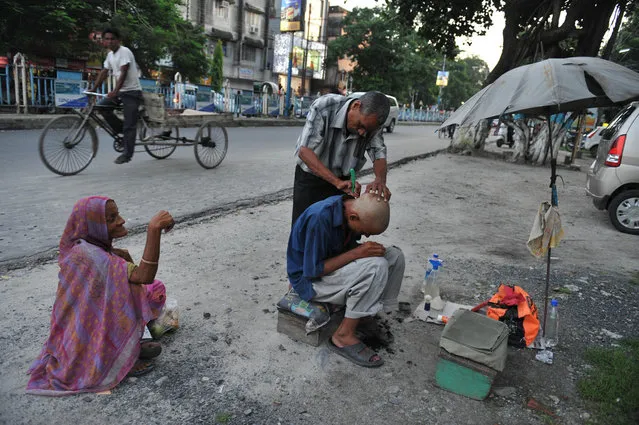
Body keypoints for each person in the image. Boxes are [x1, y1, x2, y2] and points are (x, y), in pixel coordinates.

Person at [26, 196, 175, 396]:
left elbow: (138, 281)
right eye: (112, 218)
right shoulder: (90, 256)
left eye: (118, 214)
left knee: (156, 290)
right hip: (83, 336)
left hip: (85, 326)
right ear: (92, 227)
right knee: (137, 290)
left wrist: (121, 257)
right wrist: (153, 229)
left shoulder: (90, 249)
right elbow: (143, 276)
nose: (121, 220)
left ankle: (133, 341)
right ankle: (119, 358)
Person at [287, 193, 405, 367]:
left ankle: (365, 314)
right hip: (310, 282)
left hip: (332, 267)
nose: (364, 236)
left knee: (395, 255)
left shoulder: (348, 207)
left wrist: (361, 251)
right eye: (364, 231)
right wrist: (358, 253)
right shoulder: (319, 218)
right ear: (353, 216)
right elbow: (313, 271)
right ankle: (342, 336)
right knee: (376, 266)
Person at [292, 91, 391, 226]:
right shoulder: (325, 106)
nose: (362, 133)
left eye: (367, 130)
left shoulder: (371, 123)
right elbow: (304, 151)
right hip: (311, 179)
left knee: (341, 232)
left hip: (344, 183)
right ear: (356, 105)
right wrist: (335, 181)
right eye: (361, 126)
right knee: (305, 229)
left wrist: (380, 180)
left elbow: (378, 152)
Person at [88, 28, 143, 164]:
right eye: (107, 39)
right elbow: (104, 72)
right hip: (120, 93)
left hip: (132, 92)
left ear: (118, 40)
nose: (110, 41)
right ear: (104, 41)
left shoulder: (124, 51)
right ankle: (121, 130)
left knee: (130, 125)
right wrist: (93, 89)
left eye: (112, 39)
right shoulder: (110, 55)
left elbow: (123, 73)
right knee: (101, 107)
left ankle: (127, 154)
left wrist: (115, 91)